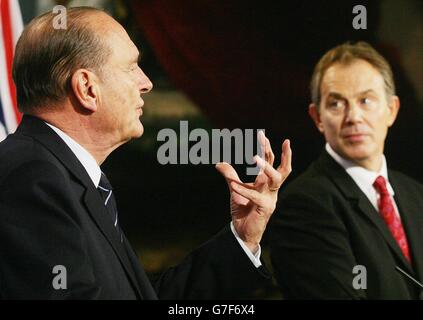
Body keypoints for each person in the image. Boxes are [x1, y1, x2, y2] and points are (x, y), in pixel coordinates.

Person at [0, 7, 292, 299]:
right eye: (130, 67)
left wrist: (243, 237)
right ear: (87, 89)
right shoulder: (31, 180)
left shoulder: (61, 175)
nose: (146, 83)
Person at [269, 42, 423, 299]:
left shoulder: (417, 195)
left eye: (366, 100)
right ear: (317, 117)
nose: (353, 116)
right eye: (337, 104)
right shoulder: (302, 206)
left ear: (391, 110)